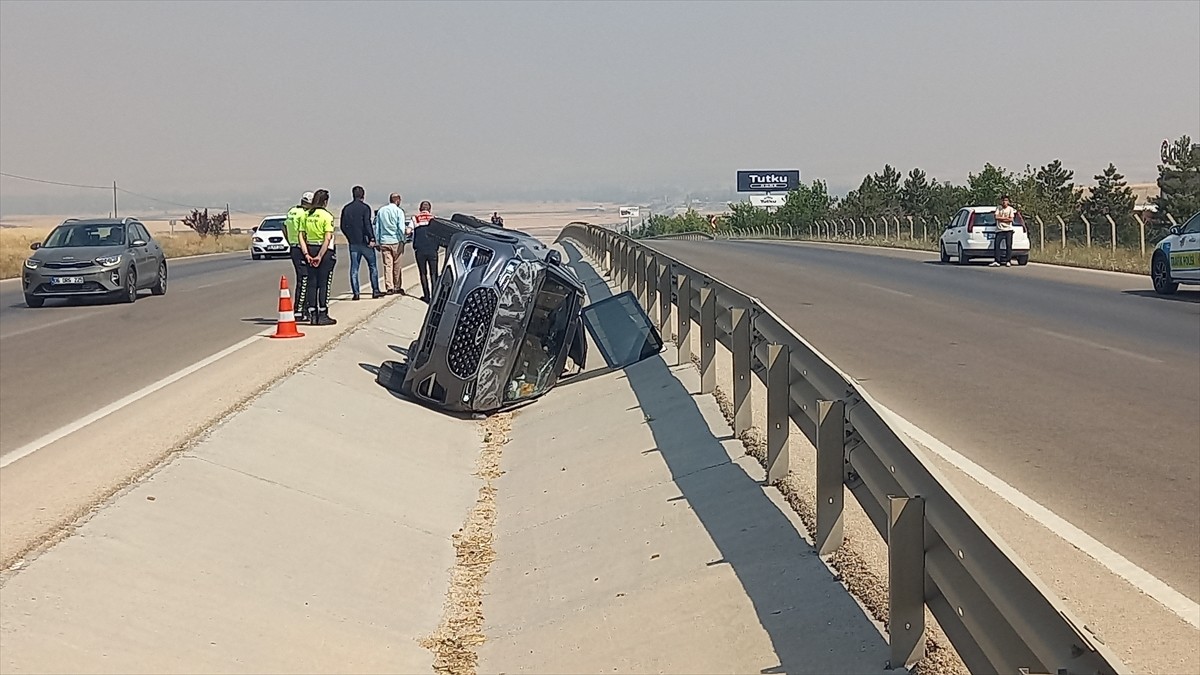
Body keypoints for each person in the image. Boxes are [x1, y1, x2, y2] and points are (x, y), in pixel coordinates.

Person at [300, 189, 338, 325]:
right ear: (325, 202)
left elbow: (301, 236)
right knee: (323, 283)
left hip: (309, 248)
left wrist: (307, 254)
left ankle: (312, 313)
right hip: (323, 250)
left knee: (311, 283)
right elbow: (327, 238)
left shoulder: (306, 215)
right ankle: (322, 313)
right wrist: (320, 256)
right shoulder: (327, 216)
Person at [340, 185, 382, 299]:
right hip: (365, 242)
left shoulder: (346, 208)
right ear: (363, 195)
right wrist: (372, 238)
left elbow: (343, 226)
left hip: (353, 242)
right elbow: (367, 224)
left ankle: (356, 293)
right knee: (372, 266)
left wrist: (349, 237)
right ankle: (375, 290)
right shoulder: (365, 208)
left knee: (354, 268)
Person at [285, 191, 312, 312]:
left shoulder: (292, 211)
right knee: (305, 278)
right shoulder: (305, 214)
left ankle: (300, 307)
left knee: (301, 278)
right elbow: (304, 232)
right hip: (303, 247)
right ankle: (300, 308)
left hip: (294, 247)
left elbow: (284, 227)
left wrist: (289, 241)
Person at [374, 193, 407, 294]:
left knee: (387, 265)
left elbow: (377, 228)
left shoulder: (381, 211)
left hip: (384, 241)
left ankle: (389, 287)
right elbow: (401, 228)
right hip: (396, 241)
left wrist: (378, 241)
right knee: (397, 265)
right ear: (397, 200)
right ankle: (397, 286)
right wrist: (403, 239)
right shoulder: (399, 211)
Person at [410, 200, 439, 302]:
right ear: (430, 209)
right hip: (432, 249)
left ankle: (426, 296)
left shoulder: (415, 218)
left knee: (423, 273)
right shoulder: (434, 219)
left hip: (420, 249)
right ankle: (435, 296)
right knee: (434, 273)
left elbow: (408, 231)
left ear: (420, 209)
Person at [993, 195, 1016, 267]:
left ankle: (1008, 261)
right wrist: (1006, 218)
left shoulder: (1010, 209)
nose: (1004, 202)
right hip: (999, 230)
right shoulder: (998, 208)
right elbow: (996, 217)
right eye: (1003, 200)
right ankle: (997, 261)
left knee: (1008, 245)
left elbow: (1011, 219)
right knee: (997, 245)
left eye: (1006, 200)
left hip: (1008, 229)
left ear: (1008, 202)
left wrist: (1001, 218)